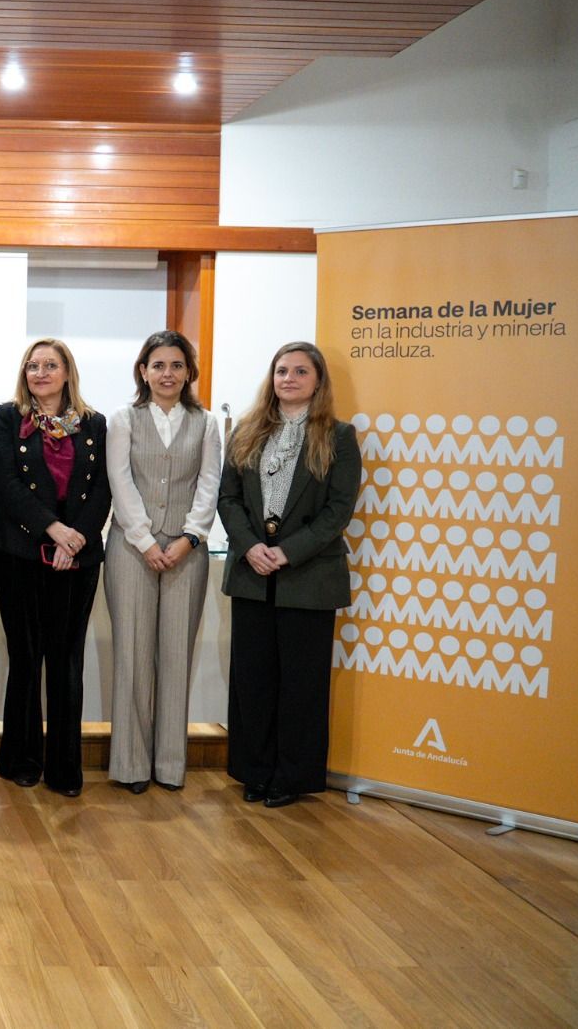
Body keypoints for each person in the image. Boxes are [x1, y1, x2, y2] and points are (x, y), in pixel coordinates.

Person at [218, 342, 361, 808]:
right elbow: (229, 499)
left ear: (318, 381)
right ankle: (254, 772)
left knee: (302, 684)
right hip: (253, 573)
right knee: (252, 681)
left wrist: (287, 553)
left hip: (308, 576)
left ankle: (291, 777)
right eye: (282, 370)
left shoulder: (338, 436)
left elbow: (338, 511)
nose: (289, 379)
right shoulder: (247, 430)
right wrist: (251, 546)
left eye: (301, 371)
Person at [0, 338, 110, 796]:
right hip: (19, 553)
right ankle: (21, 758)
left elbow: (102, 488)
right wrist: (52, 530)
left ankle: (64, 768)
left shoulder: (94, 422)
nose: (41, 372)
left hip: (79, 557)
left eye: (50, 365)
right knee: (26, 657)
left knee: (65, 661)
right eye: (33, 365)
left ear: (66, 372)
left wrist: (75, 538)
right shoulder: (6, 417)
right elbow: (5, 481)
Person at [104, 330, 222, 794]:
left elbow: (209, 482)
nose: (167, 373)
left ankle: (170, 765)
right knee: (132, 656)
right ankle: (131, 765)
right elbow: (120, 480)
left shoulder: (207, 422)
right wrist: (145, 540)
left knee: (176, 656)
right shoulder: (123, 419)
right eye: (158, 365)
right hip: (132, 550)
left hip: (187, 552)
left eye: (176, 365)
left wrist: (191, 537)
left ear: (188, 372)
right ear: (143, 371)